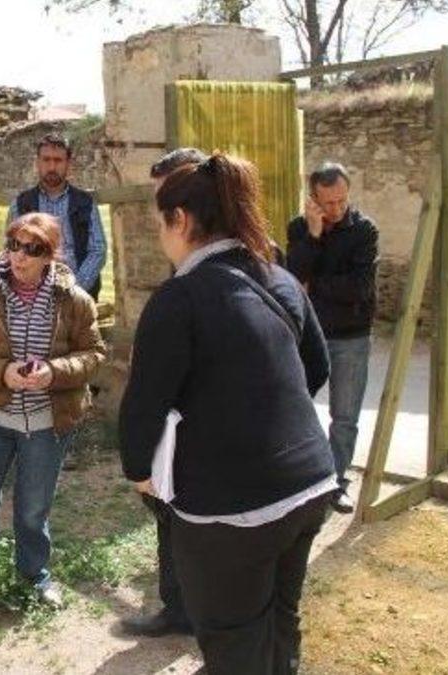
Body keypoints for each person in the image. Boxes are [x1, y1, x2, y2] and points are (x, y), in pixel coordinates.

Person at [119, 153, 334, 674]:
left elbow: (143, 405)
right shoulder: (278, 277)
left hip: (234, 510)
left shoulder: (179, 297)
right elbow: (316, 367)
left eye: (160, 223)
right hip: (311, 483)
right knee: (280, 621)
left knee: (235, 643)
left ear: (180, 220)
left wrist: (140, 472)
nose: (160, 237)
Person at [0, 212, 105, 625]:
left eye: (32, 249)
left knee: (33, 510)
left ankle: (35, 578)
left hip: (46, 422)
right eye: (14, 245)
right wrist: (2, 372)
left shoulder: (74, 299)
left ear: (50, 255)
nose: (19, 256)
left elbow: (94, 354)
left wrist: (54, 372)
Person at [116, 146, 211, 639]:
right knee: (169, 514)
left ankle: (202, 614)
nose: (160, 212)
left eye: (166, 198)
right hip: (179, 422)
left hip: (204, 426)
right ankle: (180, 608)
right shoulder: (185, 263)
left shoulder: (245, 262)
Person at [285, 162, 379, 514]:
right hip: (308, 336)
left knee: (345, 417)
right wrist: (313, 236)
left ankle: (336, 482)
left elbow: (360, 288)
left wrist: (314, 286)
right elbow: (292, 279)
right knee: (296, 409)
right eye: (328, 203)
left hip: (352, 337)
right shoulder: (299, 228)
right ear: (313, 199)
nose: (336, 209)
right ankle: (304, 479)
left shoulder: (365, 231)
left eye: (342, 200)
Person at [7, 133, 107, 301]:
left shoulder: (86, 203)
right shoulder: (21, 204)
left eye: (58, 160)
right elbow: (11, 249)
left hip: (78, 295)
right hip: (31, 297)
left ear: (68, 164)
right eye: (46, 160)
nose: (52, 167)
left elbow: (98, 250)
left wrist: (74, 289)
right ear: (37, 163)